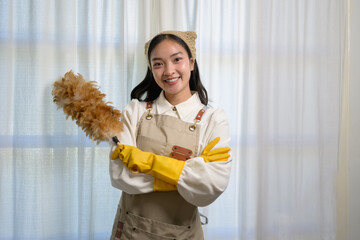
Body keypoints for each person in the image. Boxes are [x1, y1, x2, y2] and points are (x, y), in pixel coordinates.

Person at [110, 30, 232, 239]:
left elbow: (212, 185)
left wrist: (146, 162)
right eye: (158, 63)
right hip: (130, 231)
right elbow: (121, 175)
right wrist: (187, 176)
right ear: (151, 69)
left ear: (191, 63)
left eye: (177, 59)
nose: (169, 71)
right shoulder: (134, 111)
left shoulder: (213, 119)